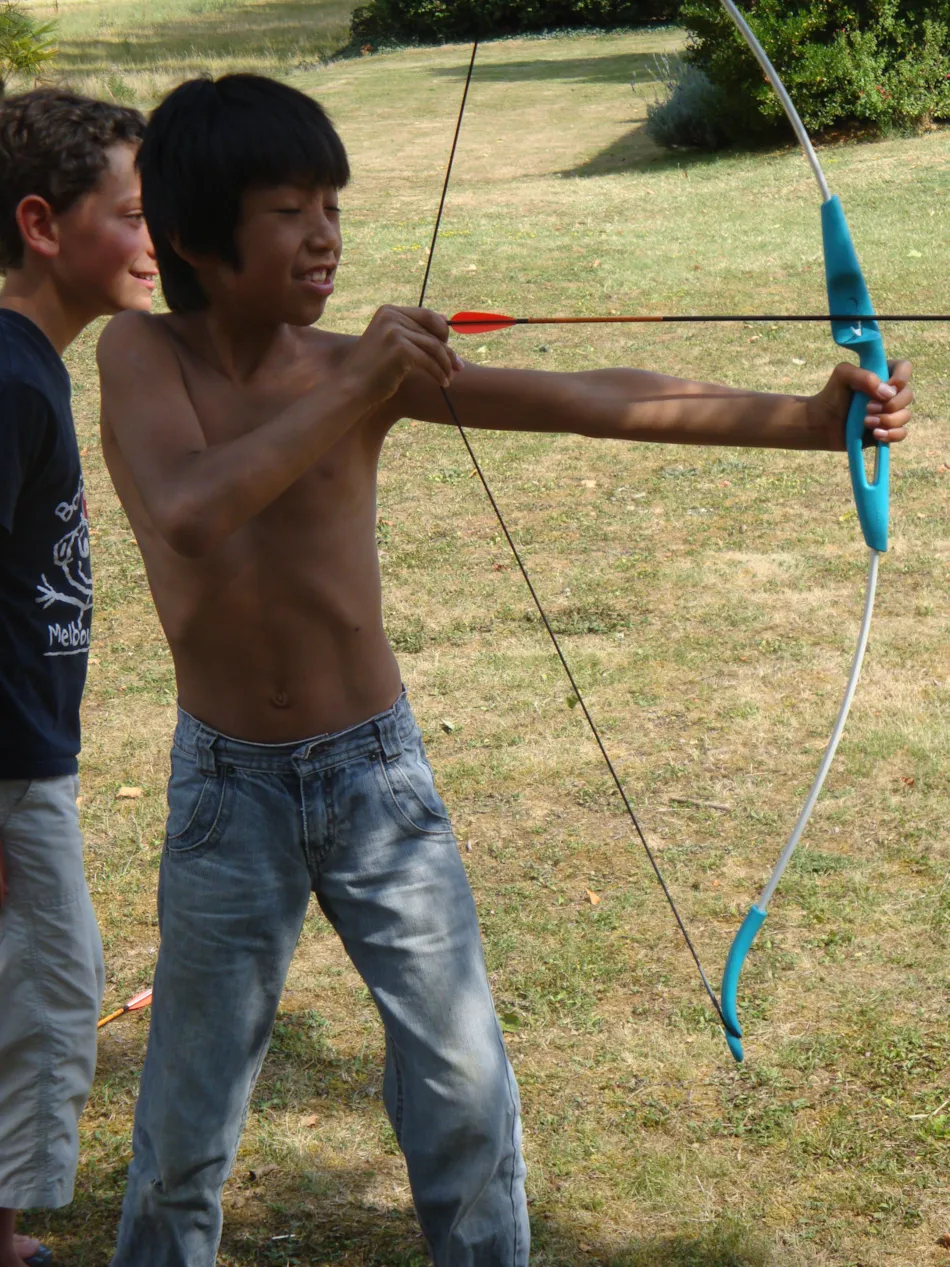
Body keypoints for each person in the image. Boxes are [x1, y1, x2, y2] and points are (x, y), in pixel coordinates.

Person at [97, 74, 912, 1267]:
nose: (325, 233)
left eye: (332, 203)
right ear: (190, 237)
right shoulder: (142, 353)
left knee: (463, 1086)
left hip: (374, 772)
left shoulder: (349, 368)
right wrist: (358, 385)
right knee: (186, 1118)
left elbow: (594, 398)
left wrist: (798, 419)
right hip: (229, 790)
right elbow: (184, 511)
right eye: (288, 208)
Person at [0, 89, 156, 1267]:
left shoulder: (30, 365)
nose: (157, 242)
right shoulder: (7, 378)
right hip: (7, 774)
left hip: (22, 759)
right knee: (50, 990)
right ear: (43, 224)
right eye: (136, 214)